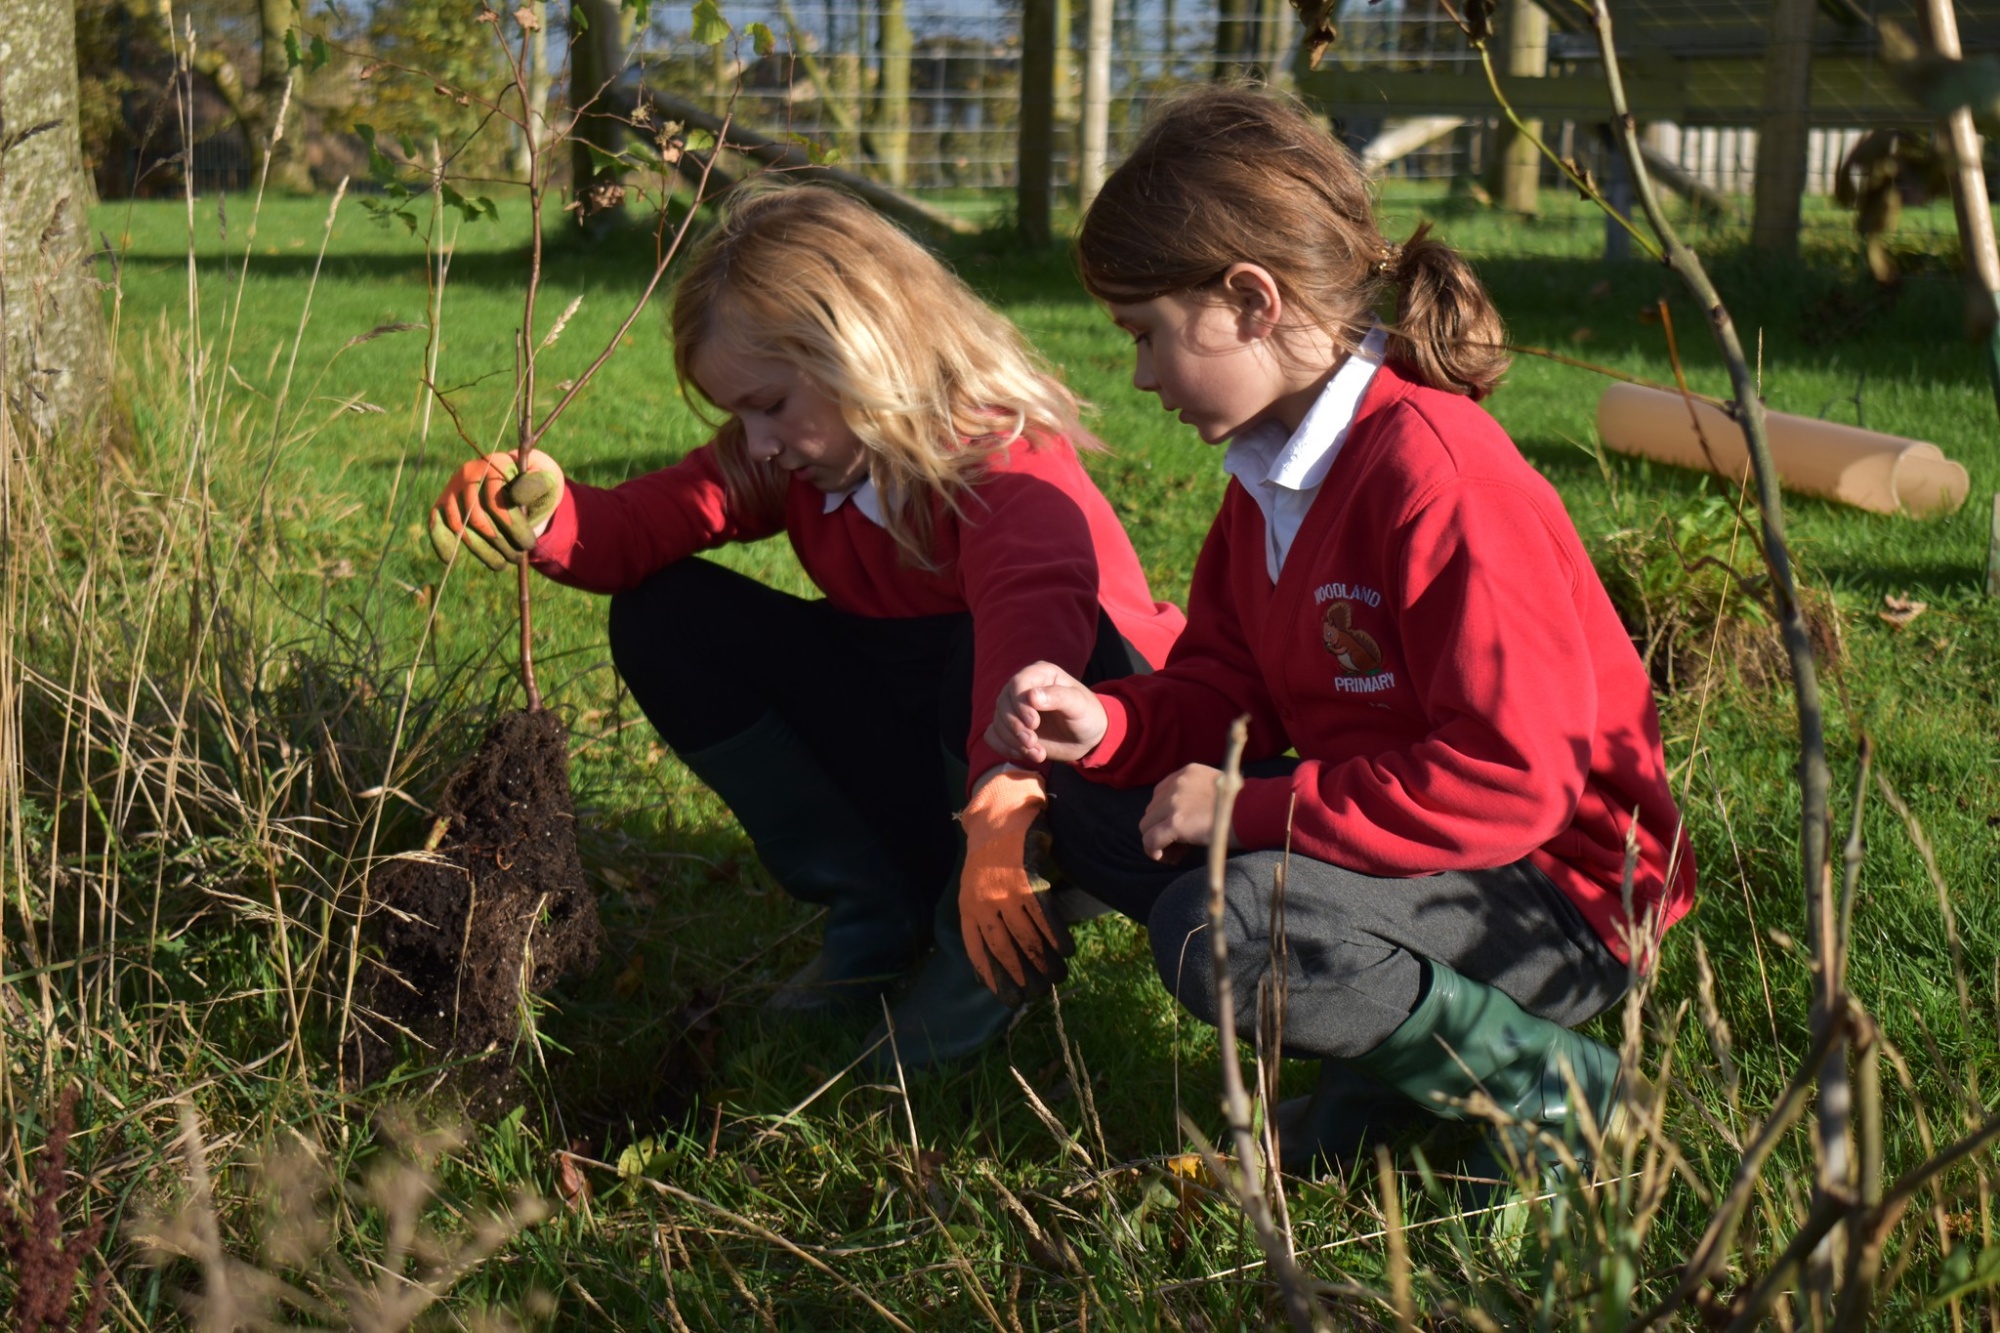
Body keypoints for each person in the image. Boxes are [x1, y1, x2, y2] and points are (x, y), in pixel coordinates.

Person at [985, 87, 1696, 1184]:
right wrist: (1109, 721)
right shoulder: (1267, 478)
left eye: (1146, 335)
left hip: (1556, 897)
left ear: (1249, 300)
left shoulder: (1433, 473)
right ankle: (1386, 1072)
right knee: (1097, 815)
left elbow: (1515, 780)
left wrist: (1252, 809)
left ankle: (1562, 1096)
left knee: (1220, 929)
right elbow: (1231, 681)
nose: (1137, 375)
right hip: (1419, 837)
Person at [428, 186, 1184, 1067]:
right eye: (737, 414)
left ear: (864, 353)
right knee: (667, 617)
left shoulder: (1000, 460)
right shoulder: (805, 460)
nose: (755, 441)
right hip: (936, 747)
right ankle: (879, 903)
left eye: (771, 403)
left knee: (989, 654)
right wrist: (553, 509)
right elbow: (660, 516)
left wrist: (1002, 814)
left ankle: (990, 942)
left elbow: (1032, 638)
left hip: (1077, 760)